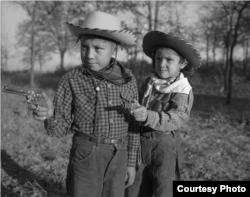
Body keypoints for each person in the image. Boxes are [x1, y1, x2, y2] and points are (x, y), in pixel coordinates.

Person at [28, 11, 140, 197]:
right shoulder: (70, 80)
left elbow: (134, 125)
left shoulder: (128, 79)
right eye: (84, 47)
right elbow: (59, 129)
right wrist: (48, 115)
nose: (89, 55)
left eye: (98, 48)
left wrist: (130, 162)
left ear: (114, 49)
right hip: (86, 155)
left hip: (119, 156)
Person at [125, 31, 202, 197]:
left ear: (182, 63)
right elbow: (136, 103)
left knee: (163, 188)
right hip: (140, 145)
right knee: (135, 188)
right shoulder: (148, 82)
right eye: (158, 58)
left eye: (169, 60)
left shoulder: (182, 89)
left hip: (165, 147)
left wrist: (148, 116)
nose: (161, 64)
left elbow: (177, 117)